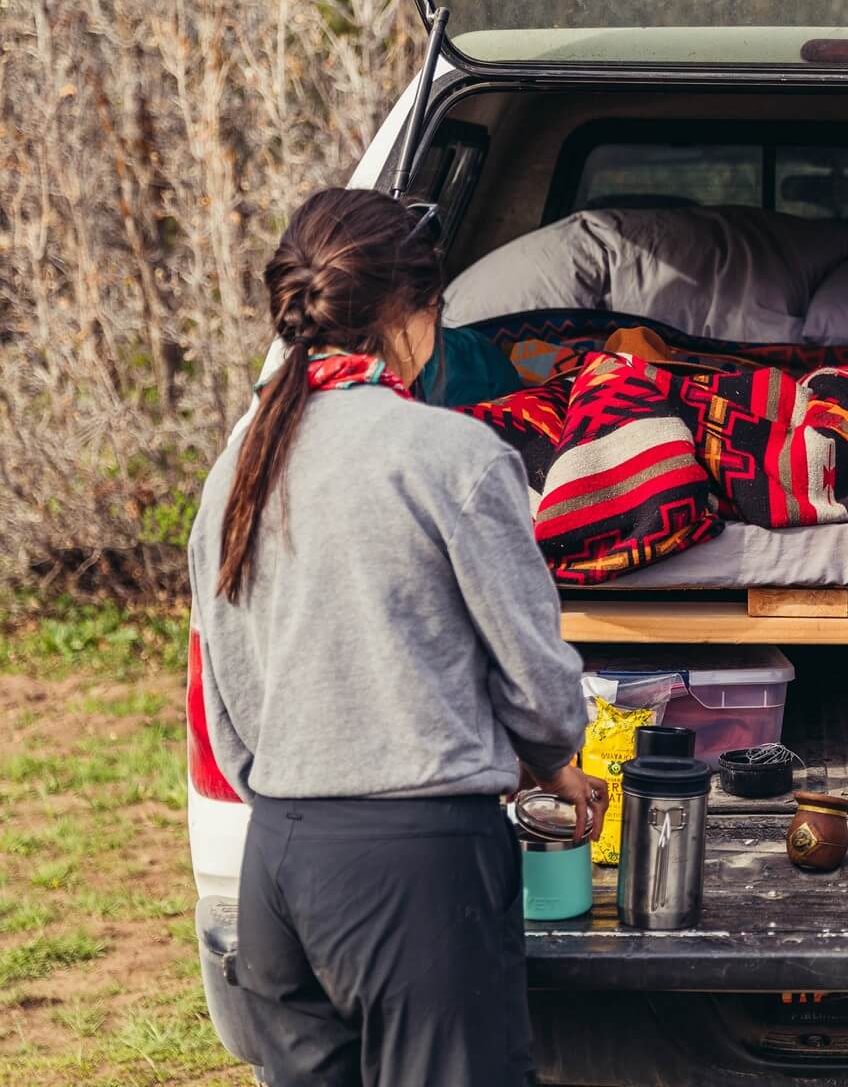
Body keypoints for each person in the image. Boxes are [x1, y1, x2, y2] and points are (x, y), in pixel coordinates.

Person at [187, 188, 598, 1086]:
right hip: (416, 870)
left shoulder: (237, 466)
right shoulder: (451, 454)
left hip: (278, 865)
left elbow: (227, 691)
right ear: (417, 315)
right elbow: (535, 679)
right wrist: (552, 756)